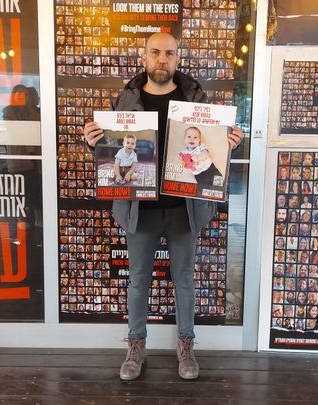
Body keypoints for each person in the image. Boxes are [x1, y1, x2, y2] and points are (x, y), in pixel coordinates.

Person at [83, 32, 242, 381]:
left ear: (177, 58)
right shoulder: (125, 101)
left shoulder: (196, 101)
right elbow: (111, 158)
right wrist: (92, 143)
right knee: (138, 280)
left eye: (169, 53)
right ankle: (136, 347)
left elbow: (211, 155)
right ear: (144, 57)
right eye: (155, 52)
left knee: (184, 279)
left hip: (185, 208)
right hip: (140, 209)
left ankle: (186, 346)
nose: (162, 59)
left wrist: (230, 144)